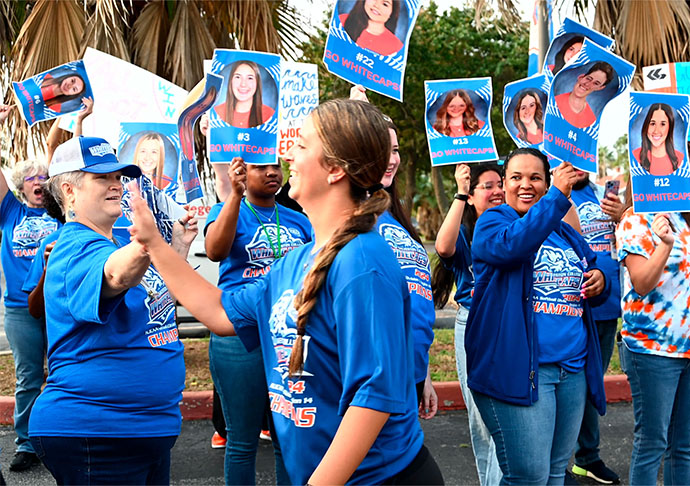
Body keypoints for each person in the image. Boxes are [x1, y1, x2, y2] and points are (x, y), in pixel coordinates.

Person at [130, 98, 444, 485]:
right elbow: (218, 311)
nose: (288, 154)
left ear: (334, 170)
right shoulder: (296, 261)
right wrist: (154, 243)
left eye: (302, 144)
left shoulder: (364, 261)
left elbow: (373, 398)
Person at [28, 136, 197, 485]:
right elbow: (117, 275)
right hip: (98, 434)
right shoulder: (74, 246)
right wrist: (147, 242)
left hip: (140, 431)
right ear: (69, 191)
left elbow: (155, 300)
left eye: (118, 176)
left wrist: (176, 246)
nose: (116, 184)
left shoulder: (113, 243)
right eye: (101, 177)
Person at [466, 148, 610, 484]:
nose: (525, 184)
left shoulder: (561, 230)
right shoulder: (493, 221)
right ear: (503, 184)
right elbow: (512, 246)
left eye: (535, 178)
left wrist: (600, 278)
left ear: (546, 184)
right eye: (516, 177)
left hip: (571, 369)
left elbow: (595, 262)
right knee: (528, 475)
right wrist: (558, 198)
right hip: (522, 369)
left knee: (556, 471)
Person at [205, 157, 311, 485]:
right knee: (242, 441)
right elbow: (215, 251)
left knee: (287, 437)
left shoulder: (299, 220)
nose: (271, 173)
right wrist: (234, 197)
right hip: (238, 335)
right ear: (241, 172)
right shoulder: (227, 211)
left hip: (287, 336)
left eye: (276, 166)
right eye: (260, 167)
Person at [350, 84, 438, 419]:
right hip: (375, 377)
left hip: (411, 373)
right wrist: (359, 118)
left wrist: (425, 373)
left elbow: (416, 303)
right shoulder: (352, 210)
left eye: (396, 150)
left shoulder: (397, 216)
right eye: (380, 149)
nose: (391, 159)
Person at [433, 162, 505, 486]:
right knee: (481, 420)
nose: (497, 190)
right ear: (473, 197)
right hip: (472, 323)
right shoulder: (465, 233)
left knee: (509, 418)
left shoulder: (516, 226)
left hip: (511, 323)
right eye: (487, 186)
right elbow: (443, 248)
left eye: (501, 183)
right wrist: (460, 192)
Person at [0, 104, 61, 473]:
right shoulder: (10, 212)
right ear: (21, 186)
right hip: (20, 310)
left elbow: (56, 153)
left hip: (56, 306)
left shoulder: (61, 212)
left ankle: (57, 435)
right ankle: (25, 442)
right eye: (31, 177)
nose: (39, 180)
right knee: (28, 377)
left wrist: (76, 120)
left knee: (61, 372)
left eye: (44, 176)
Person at [615, 192, 690, 484]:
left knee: (683, 447)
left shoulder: (685, 218)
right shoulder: (635, 220)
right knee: (652, 445)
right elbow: (642, 283)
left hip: (686, 349)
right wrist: (666, 244)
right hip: (652, 350)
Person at [569, 170, 624, 484]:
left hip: (607, 306)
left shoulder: (605, 192)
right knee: (579, 383)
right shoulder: (553, 195)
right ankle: (586, 456)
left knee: (594, 383)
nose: (575, 164)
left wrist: (623, 214)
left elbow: (628, 238)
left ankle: (585, 458)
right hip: (569, 306)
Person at [214, 61, 275, 128]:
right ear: (231, 81)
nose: (243, 84)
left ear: (257, 83)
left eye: (250, 78)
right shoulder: (217, 113)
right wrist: (208, 132)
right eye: (238, 77)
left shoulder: (269, 114)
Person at [555, 62, 614, 129]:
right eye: (588, 78)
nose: (588, 84)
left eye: (596, 83)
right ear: (581, 77)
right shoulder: (553, 102)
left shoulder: (591, 121)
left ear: (600, 88)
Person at [632, 103, 684, 176]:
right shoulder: (634, 157)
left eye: (663, 124)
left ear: (670, 127)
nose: (656, 131)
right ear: (646, 126)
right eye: (652, 124)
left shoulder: (681, 159)